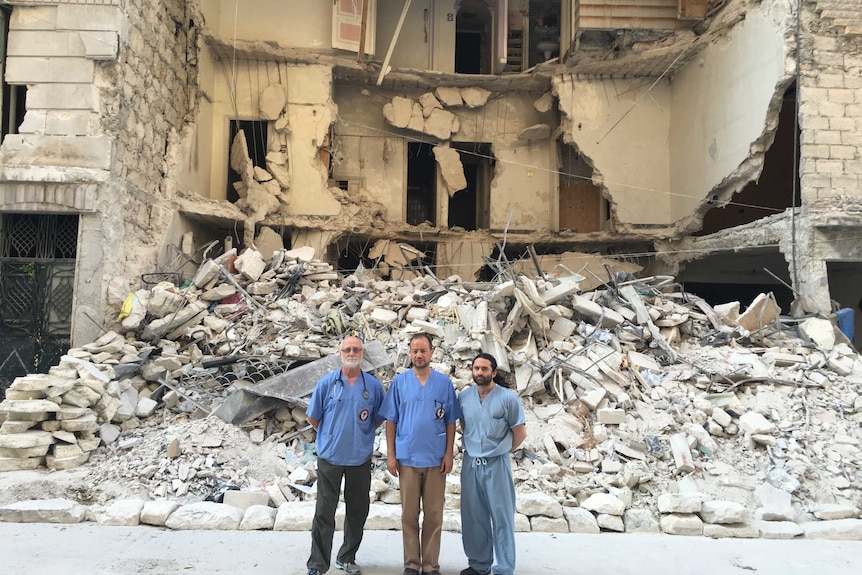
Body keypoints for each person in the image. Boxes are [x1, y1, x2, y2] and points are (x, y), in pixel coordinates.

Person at [381, 333, 461, 575]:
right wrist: (391, 455)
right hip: (407, 458)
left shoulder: (443, 384)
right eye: (415, 351)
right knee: (408, 514)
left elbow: (450, 422)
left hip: (436, 459)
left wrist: (449, 453)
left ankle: (430, 565)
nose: (418, 355)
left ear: (432, 353)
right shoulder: (399, 383)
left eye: (423, 350)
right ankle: (412, 564)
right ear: (410, 353)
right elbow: (391, 421)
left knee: (434, 514)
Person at [305, 336, 385, 575]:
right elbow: (313, 417)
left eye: (356, 349)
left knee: (358, 510)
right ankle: (318, 564)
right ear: (339, 353)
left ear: (362, 353)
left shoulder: (372, 386)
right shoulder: (327, 384)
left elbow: (378, 417)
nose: (352, 352)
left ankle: (347, 557)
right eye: (347, 349)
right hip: (330, 458)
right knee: (323, 512)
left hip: (359, 459)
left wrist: (360, 437)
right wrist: (330, 436)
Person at [458, 353, 526, 575]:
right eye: (476, 368)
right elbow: (464, 426)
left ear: (493, 372)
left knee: (501, 516)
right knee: (473, 516)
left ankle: (504, 567)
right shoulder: (465, 397)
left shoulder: (507, 399)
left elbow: (520, 433)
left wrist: (502, 451)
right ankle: (479, 564)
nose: (479, 373)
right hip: (471, 464)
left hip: (496, 464)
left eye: (484, 369)